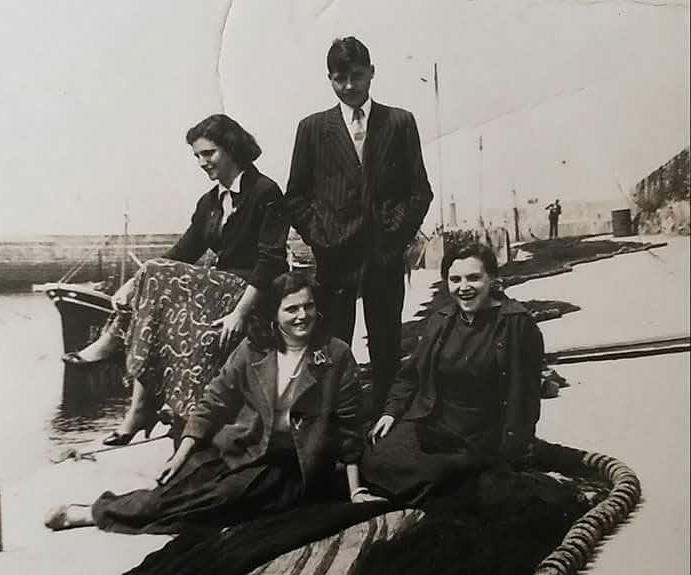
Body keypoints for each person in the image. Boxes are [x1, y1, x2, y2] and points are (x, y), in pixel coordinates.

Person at [45, 271, 383, 534]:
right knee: (179, 489)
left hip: (288, 468)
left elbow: (350, 427)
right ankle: (101, 509)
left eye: (308, 306)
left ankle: (91, 514)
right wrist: (180, 455)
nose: (302, 316)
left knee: (215, 500)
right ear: (274, 314)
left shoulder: (335, 354)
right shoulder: (254, 349)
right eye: (291, 309)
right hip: (240, 449)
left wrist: (355, 491)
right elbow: (214, 401)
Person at [65, 114, 289, 445]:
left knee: (156, 275)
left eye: (208, 153)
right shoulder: (211, 201)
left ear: (231, 149)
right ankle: (140, 408)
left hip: (255, 292)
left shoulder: (264, 191)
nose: (201, 162)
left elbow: (271, 260)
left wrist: (240, 313)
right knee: (156, 295)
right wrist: (133, 283)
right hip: (220, 288)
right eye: (197, 156)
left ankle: (116, 347)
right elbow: (184, 251)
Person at [285, 36, 433, 415]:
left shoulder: (399, 122)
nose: (349, 86)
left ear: (371, 73)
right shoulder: (312, 128)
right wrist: (321, 238)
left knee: (386, 345)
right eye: (339, 78)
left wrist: (394, 238)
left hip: (383, 257)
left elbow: (419, 192)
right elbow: (296, 196)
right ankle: (335, 422)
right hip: (334, 259)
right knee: (332, 346)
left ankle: (384, 422)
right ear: (329, 79)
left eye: (356, 76)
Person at [361, 243, 544, 505]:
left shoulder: (517, 323)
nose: (464, 287)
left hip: (479, 434)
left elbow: (525, 398)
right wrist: (390, 412)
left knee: (436, 476)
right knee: (374, 459)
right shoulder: (442, 319)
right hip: (433, 422)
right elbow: (411, 375)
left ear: (492, 279)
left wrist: (512, 452)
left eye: (474, 278)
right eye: (455, 279)